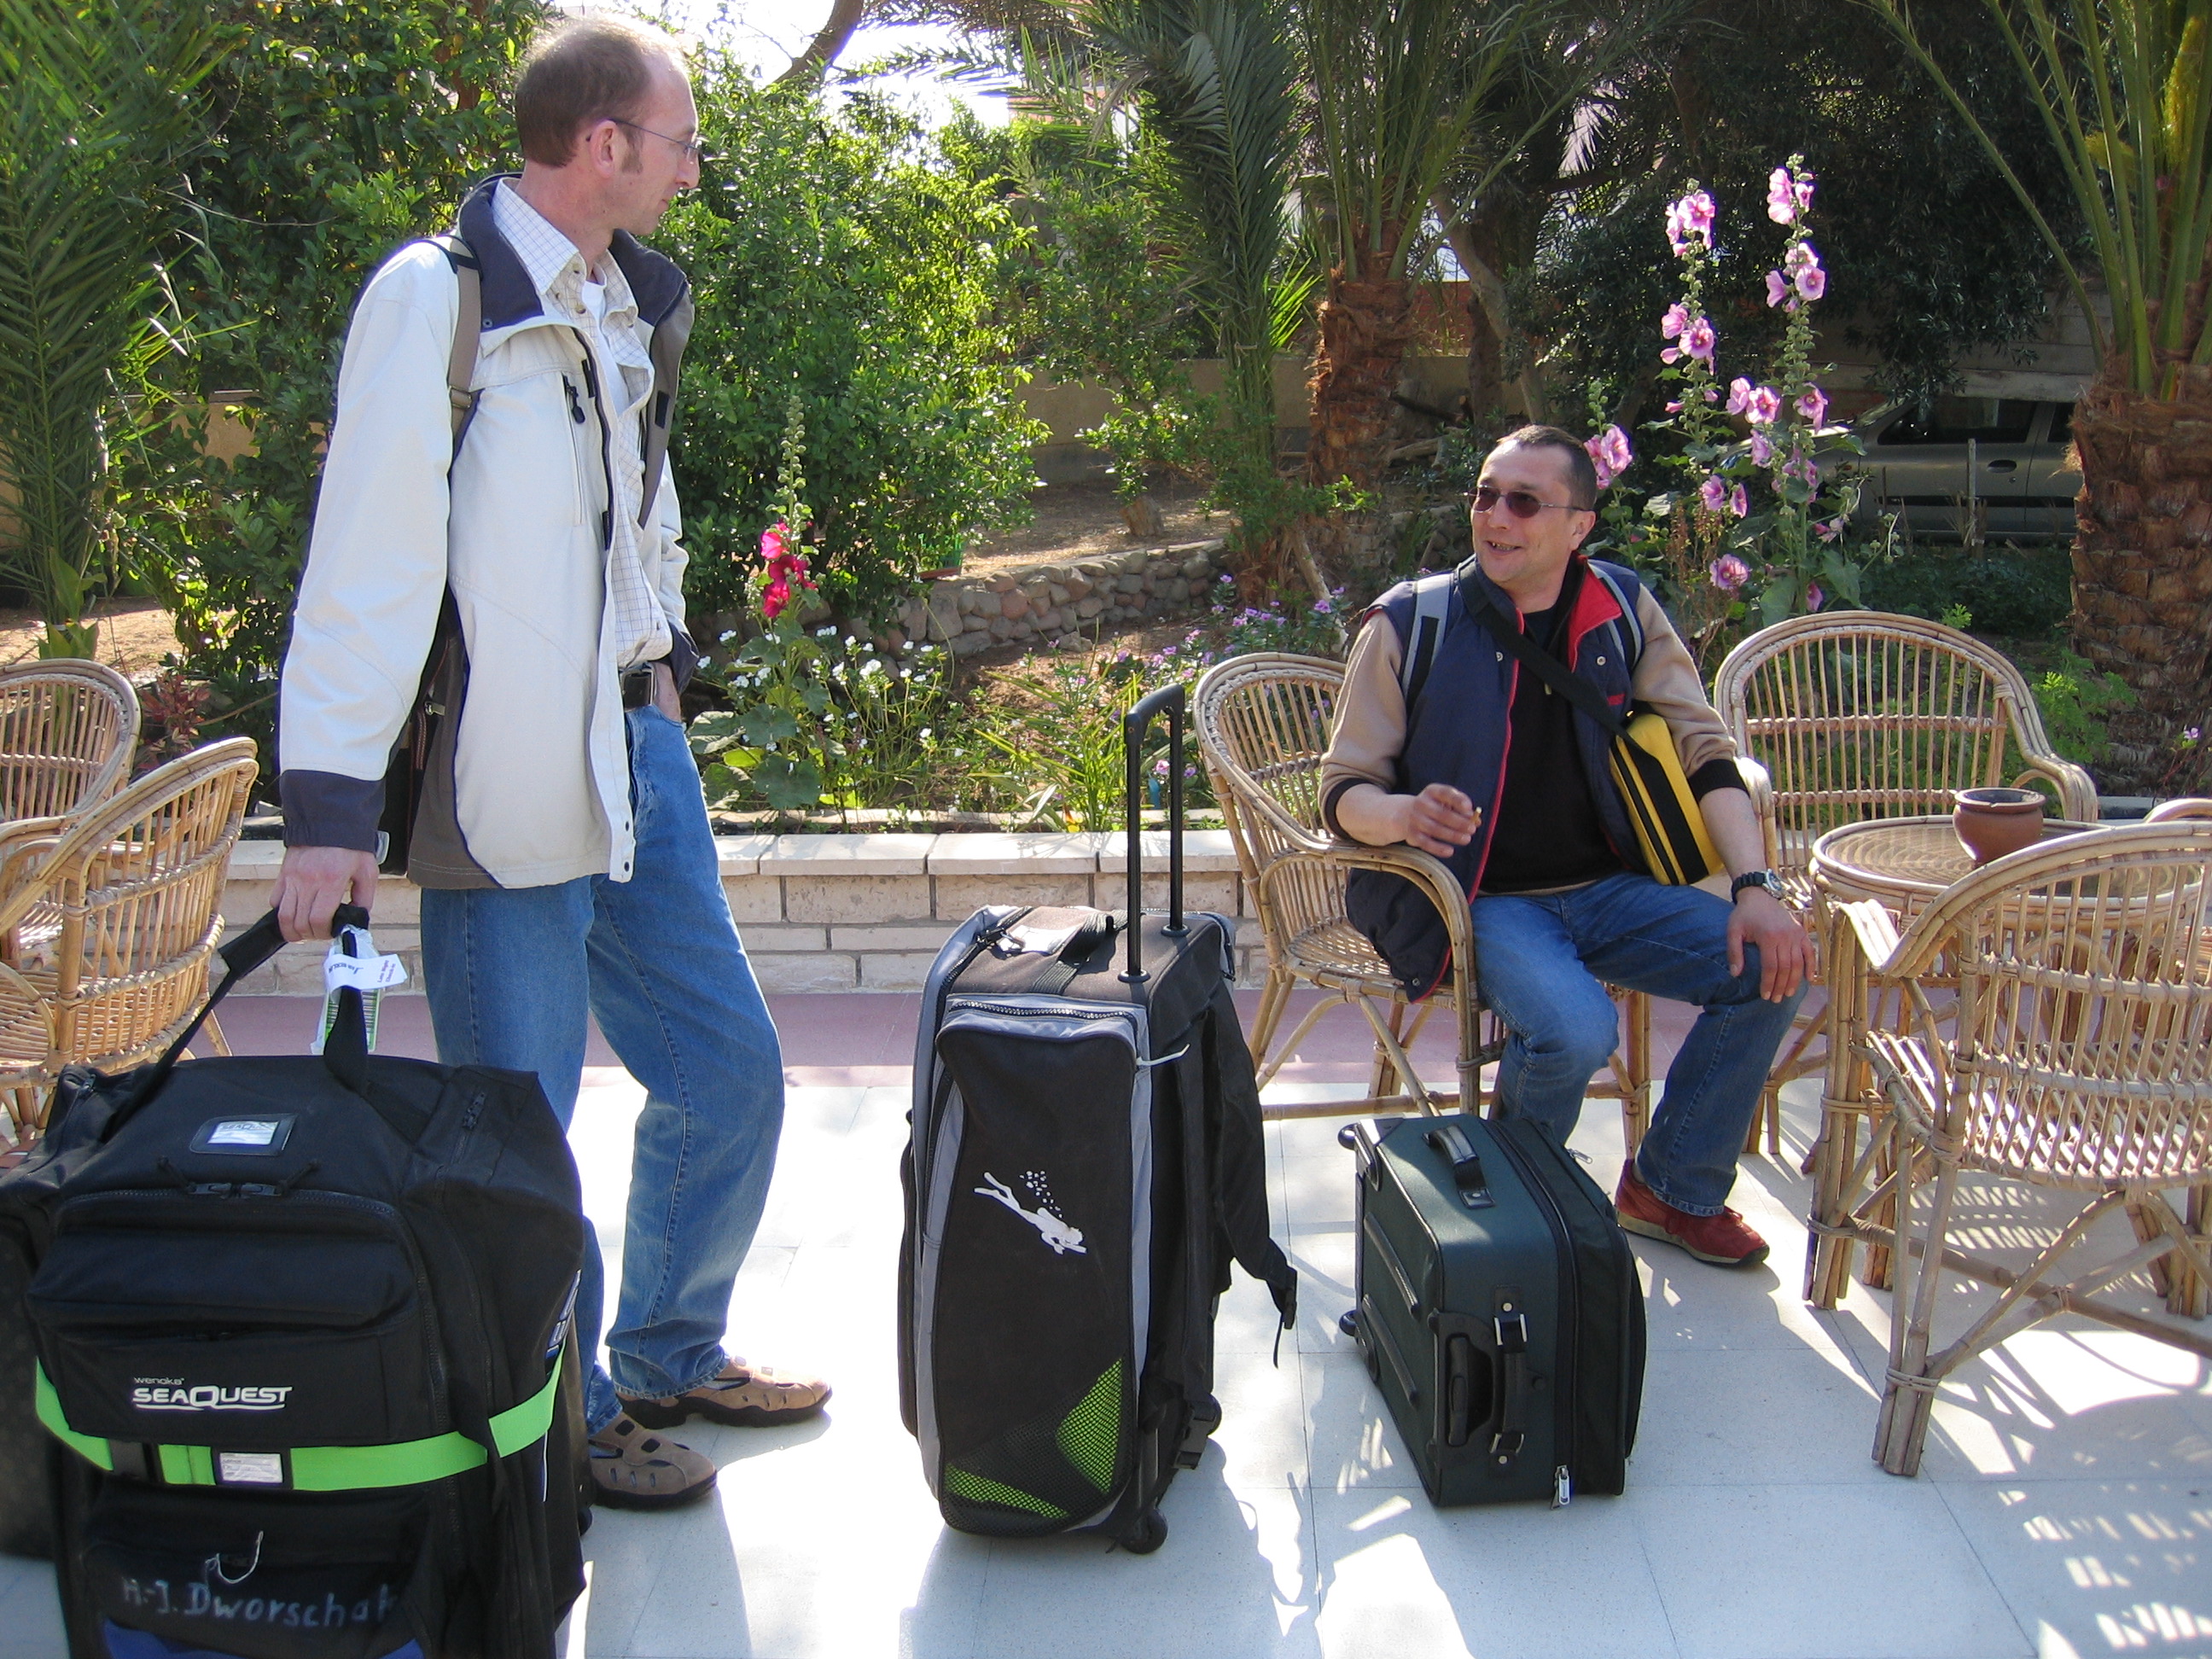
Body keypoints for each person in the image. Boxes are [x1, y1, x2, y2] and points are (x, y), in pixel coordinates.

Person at [271, 15, 827, 1510]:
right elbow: (370, 561)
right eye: (682, 143)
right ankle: (557, 1413)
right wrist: (327, 809)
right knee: (519, 1126)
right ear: (605, 143)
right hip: (506, 776)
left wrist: (666, 669)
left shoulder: (624, 300)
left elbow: (638, 513)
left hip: (636, 750)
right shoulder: (437, 299)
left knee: (726, 1069)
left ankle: (666, 1347)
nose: (692, 170)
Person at [1320, 425, 1813, 1266]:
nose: (1495, 516)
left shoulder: (1621, 607)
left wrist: (1756, 889)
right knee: (1577, 1032)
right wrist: (1402, 815)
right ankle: (1518, 1209)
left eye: (1524, 502)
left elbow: (1705, 751)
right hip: (1482, 899)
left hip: (1608, 890)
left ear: (1579, 525)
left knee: (1772, 965)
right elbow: (1342, 793)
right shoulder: (1413, 621)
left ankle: (1670, 1188)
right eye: (1485, 495)